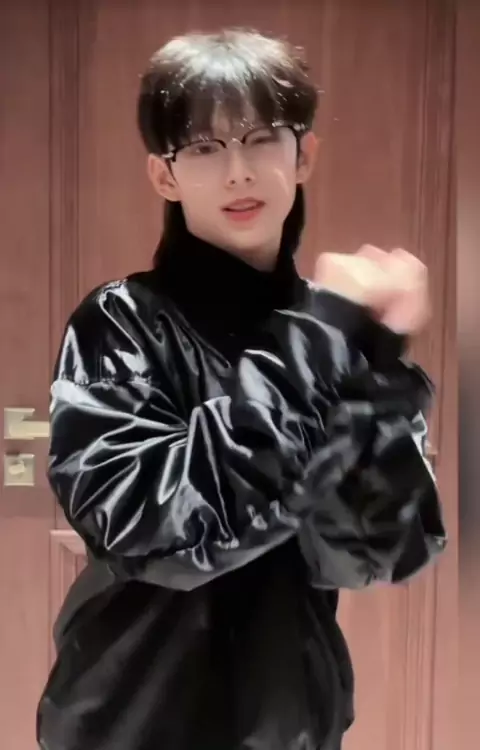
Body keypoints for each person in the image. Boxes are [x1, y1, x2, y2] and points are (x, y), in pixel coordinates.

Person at [37, 28, 446, 750]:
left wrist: (376, 364)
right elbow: (153, 530)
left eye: (261, 140)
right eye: (204, 148)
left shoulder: (337, 328)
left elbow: (377, 552)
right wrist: (321, 346)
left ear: (303, 155)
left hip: (292, 720)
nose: (238, 173)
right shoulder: (122, 322)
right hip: (131, 720)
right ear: (164, 176)